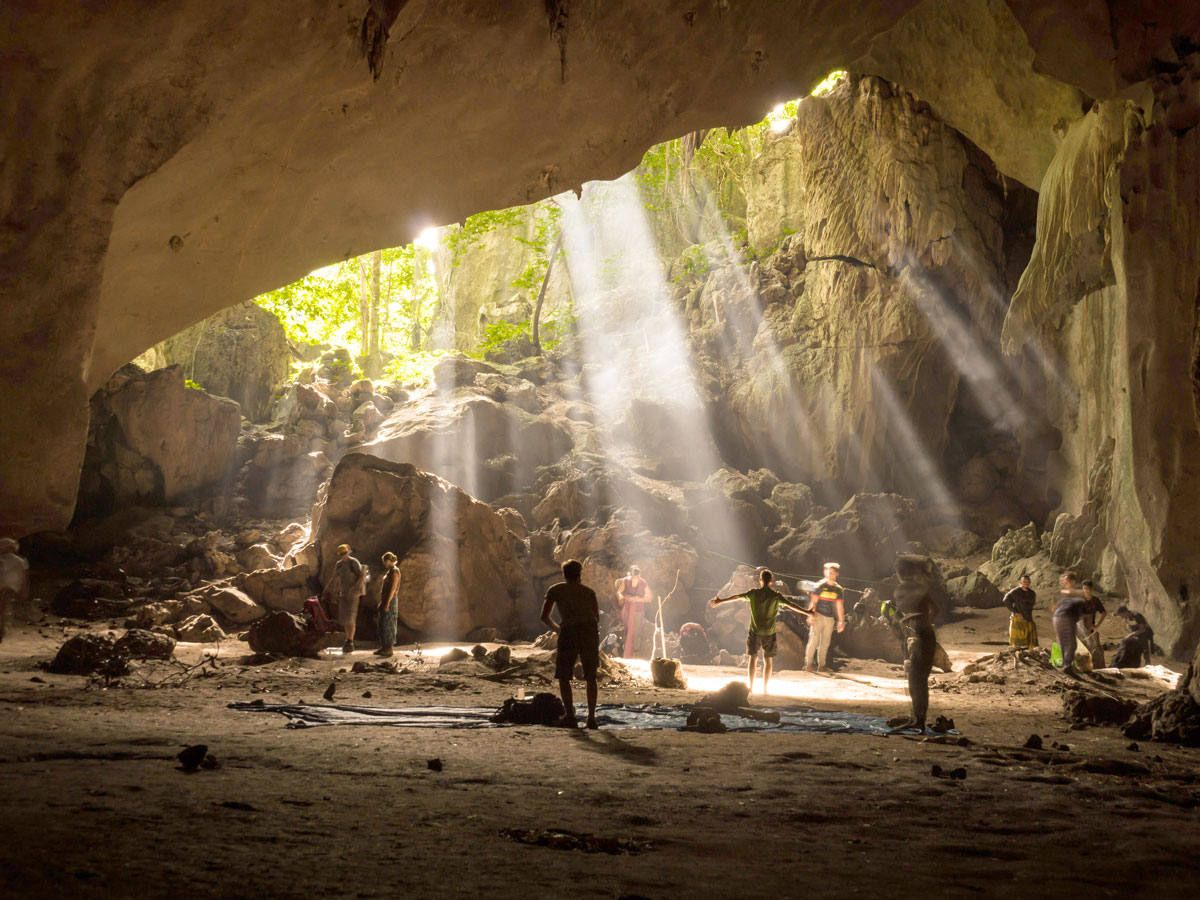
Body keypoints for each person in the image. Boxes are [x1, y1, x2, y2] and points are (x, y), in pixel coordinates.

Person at [710, 568, 813, 695]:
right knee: (768, 660)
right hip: (769, 632)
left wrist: (720, 601)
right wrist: (808, 612)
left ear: (760, 580)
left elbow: (737, 597)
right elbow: (791, 605)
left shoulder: (754, 593)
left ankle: (752, 687)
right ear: (771, 582)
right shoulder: (775, 596)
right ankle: (765, 688)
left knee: (752, 659)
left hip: (755, 631)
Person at [541, 559, 600, 729]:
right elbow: (596, 617)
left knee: (564, 675)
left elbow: (544, 616)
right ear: (579, 574)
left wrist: (558, 629)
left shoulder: (556, 590)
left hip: (569, 632)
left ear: (564, 574)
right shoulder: (589, 592)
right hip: (589, 632)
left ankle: (570, 716)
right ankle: (591, 718)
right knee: (591, 676)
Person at [891, 556, 941, 731]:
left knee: (915, 680)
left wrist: (904, 619)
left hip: (917, 637)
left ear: (899, 573)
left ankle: (918, 721)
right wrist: (925, 620)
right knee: (920, 680)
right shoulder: (920, 588)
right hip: (927, 635)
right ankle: (918, 719)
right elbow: (935, 609)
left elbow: (899, 615)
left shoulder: (900, 590)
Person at [323, 544, 366, 654]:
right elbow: (335, 578)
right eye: (341, 554)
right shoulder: (339, 564)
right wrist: (328, 590)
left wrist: (354, 589)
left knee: (351, 617)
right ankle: (347, 640)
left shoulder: (353, 562)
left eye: (344, 553)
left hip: (353, 595)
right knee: (345, 618)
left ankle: (350, 641)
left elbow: (362, 576)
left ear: (348, 552)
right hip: (343, 594)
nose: (343, 555)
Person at [805, 562, 845, 673]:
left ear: (836, 574)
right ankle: (808, 664)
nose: (829, 574)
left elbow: (839, 606)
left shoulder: (838, 589)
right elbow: (813, 602)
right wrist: (810, 616)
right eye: (827, 571)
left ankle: (822, 666)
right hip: (818, 616)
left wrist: (841, 621)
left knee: (825, 643)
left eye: (832, 572)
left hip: (830, 618)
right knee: (814, 640)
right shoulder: (819, 585)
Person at [1052, 572, 1090, 672]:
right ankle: (1067, 665)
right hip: (1066, 618)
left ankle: (1065, 664)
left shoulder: (1071, 594)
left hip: (1057, 618)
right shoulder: (1079, 596)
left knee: (1063, 642)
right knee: (1072, 644)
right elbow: (1086, 615)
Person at [615, 566, 653, 659]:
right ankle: (626, 651)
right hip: (627, 608)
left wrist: (638, 599)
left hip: (638, 609)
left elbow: (650, 597)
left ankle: (635, 652)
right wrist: (623, 597)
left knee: (636, 631)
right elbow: (619, 592)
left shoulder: (643, 583)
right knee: (627, 630)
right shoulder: (626, 581)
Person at [0, 538, 30, 644]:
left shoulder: (4, 560)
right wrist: (24, 590)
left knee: (3, 607)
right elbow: (24, 577)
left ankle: (2, 629)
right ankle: (3, 628)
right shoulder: (21, 561)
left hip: (6, 586)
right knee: (4, 607)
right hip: (12, 587)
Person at [374, 552, 400, 658]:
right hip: (385, 600)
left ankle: (389, 648)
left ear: (389, 560)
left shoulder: (395, 571)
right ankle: (384, 646)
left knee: (389, 624)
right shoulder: (389, 571)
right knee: (382, 624)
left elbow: (393, 588)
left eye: (385, 561)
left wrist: (388, 602)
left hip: (391, 600)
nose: (384, 563)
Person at [1003, 574, 1038, 648]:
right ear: (1021, 582)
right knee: (1018, 643)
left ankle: (1028, 656)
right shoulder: (1015, 592)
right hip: (1018, 618)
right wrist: (1016, 612)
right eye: (1024, 581)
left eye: (1028, 581)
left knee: (1031, 642)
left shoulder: (1032, 593)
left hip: (1028, 618)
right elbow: (1006, 600)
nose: (1026, 583)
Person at [1078, 579, 1107, 667]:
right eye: (1083, 588)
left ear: (1091, 589)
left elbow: (1104, 612)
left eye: (1086, 588)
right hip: (1079, 627)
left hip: (1090, 627)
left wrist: (1097, 625)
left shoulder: (1095, 600)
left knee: (1090, 648)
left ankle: (1090, 666)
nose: (1084, 590)